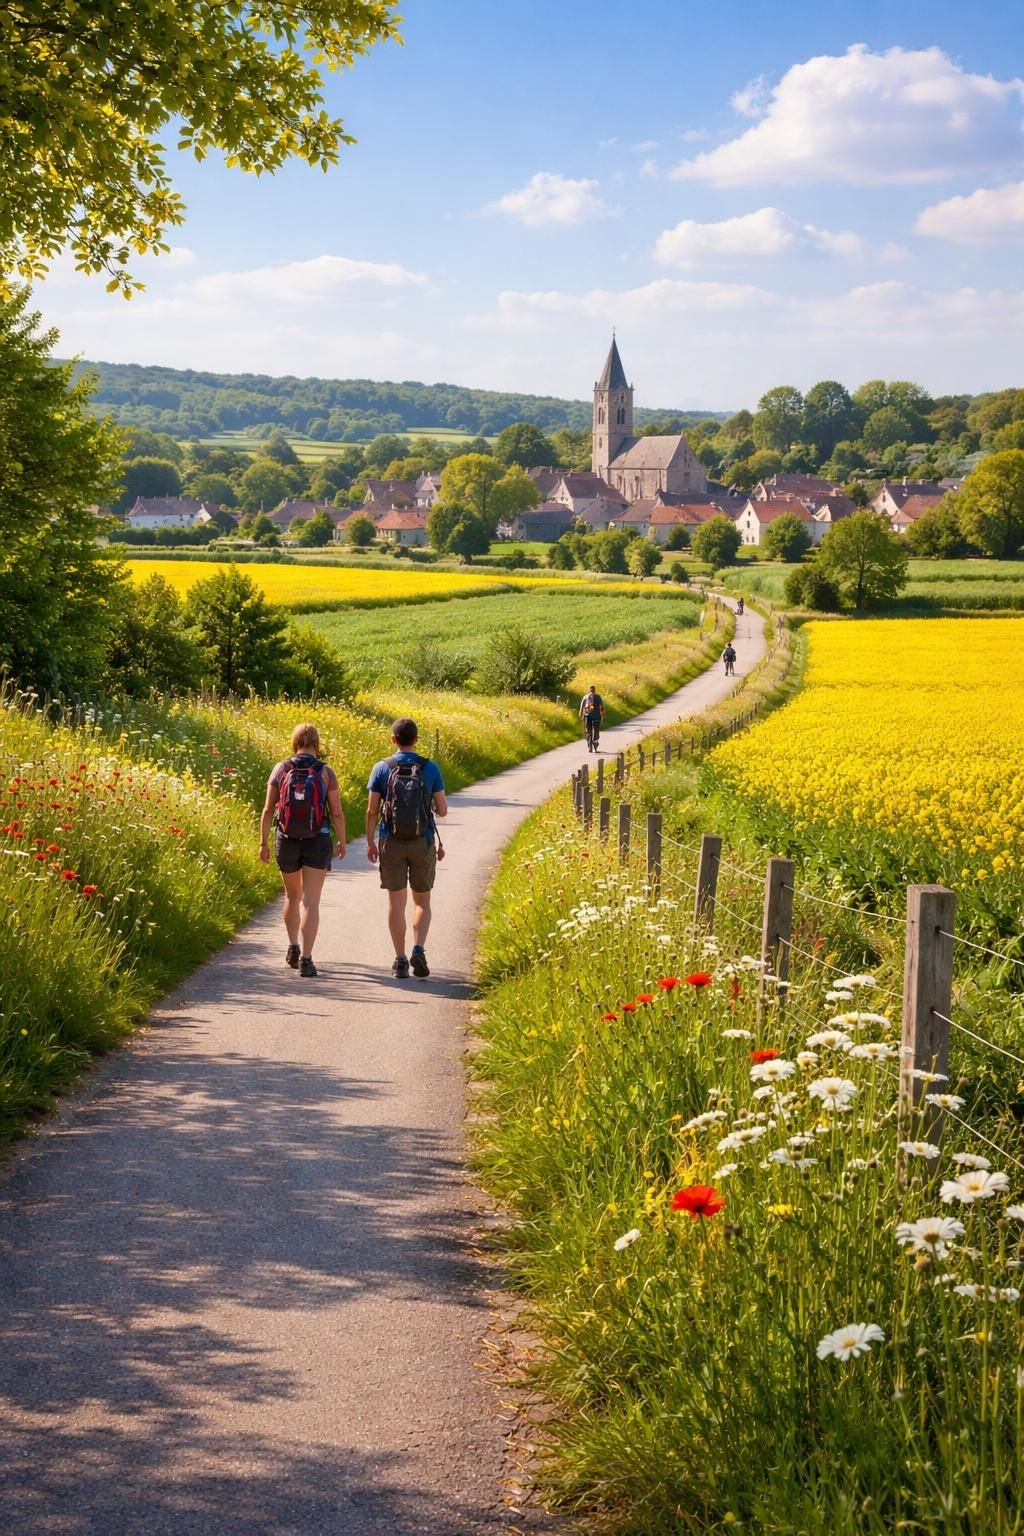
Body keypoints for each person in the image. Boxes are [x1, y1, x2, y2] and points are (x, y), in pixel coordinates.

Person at [260, 722, 346, 978]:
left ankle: (293, 947)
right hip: (317, 839)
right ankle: (307, 960)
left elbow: (268, 809)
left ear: (295, 742)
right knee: (311, 901)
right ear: (316, 744)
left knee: (292, 896)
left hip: (286, 838)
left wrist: (263, 842)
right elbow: (337, 812)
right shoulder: (326, 772)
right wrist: (341, 840)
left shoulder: (281, 768)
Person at [366, 717, 448, 980]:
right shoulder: (430, 768)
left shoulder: (382, 768)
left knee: (396, 902)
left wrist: (370, 842)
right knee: (422, 900)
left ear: (393, 740)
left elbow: (371, 810)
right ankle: (419, 949)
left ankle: (400, 960)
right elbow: (443, 810)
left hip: (391, 841)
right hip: (422, 840)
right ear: (416, 739)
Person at [579, 684, 605, 752]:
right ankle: (594, 745)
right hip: (596, 717)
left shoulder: (585, 697)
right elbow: (601, 707)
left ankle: (590, 746)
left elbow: (582, 708)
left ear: (589, 689)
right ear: (594, 689)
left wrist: (581, 716)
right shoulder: (598, 697)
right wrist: (603, 716)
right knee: (595, 731)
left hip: (588, 716)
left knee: (588, 731)